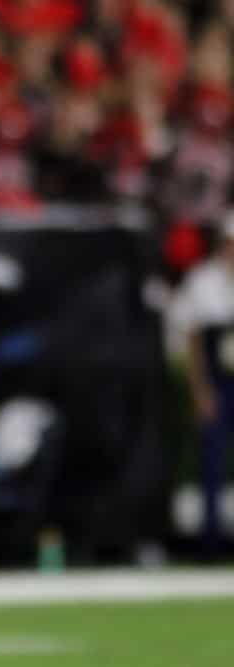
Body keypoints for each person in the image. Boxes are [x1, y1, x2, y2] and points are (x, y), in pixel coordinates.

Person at [174, 213, 234, 559]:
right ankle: (210, 541)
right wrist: (201, 390)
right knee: (212, 460)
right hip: (217, 380)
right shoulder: (203, 281)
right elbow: (194, 340)